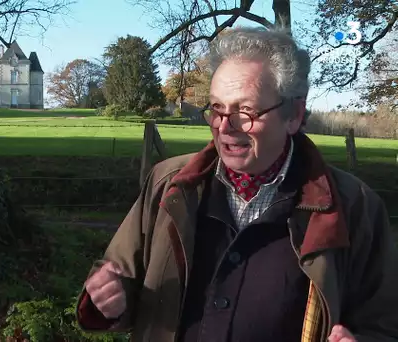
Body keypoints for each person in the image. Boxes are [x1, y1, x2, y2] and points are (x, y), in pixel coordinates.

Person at [75, 27, 398, 342]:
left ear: (294, 115)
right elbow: (119, 278)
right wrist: (107, 300)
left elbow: (384, 323)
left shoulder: (353, 205)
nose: (224, 127)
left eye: (245, 111)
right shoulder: (169, 184)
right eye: (216, 109)